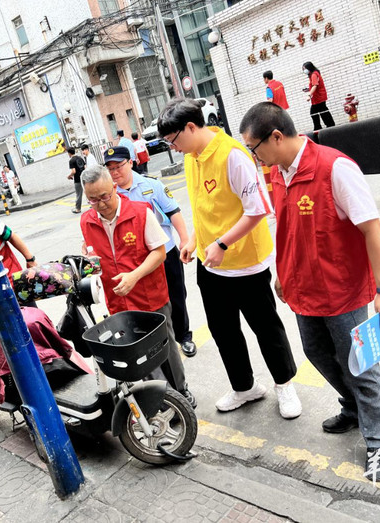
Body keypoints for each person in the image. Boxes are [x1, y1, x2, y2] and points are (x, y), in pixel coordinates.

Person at [239, 102, 380, 481]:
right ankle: (353, 408)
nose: (253, 157)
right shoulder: (278, 172)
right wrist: (283, 273)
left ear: (276, 137)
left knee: (360, 366)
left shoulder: (335, 168)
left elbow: (372, 229)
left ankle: (378, 439)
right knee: (316, 352)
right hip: (304, 288)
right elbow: (288, 228)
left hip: (342, 291)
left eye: (254, 148)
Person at [156, 97, 301, 419]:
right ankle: (244, 387)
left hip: (245, 262)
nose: (173, 148)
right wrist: (194, 239)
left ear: (190, 127)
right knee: (223, 331)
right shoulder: (192, 158)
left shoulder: (233, 155)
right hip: (211, 263)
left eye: (173, 140)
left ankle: (284, 384)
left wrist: (222, 243)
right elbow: (206, 208)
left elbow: (257, 209)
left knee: (266, 328)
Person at [78, 164, 196, 408]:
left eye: (104, 196)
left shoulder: (141, 212)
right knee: (137, 355)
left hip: (149, 296)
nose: (100, 204)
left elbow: (159, 253)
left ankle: (180, 392)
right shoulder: (87, 220)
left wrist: (134, 276)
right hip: (118, 300)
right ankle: (160, 399)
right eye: (93, 200)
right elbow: (91, 253)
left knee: (163, 350)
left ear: (114, 187)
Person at [104, 146, 197, 358]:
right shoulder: (111, 194)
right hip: (135, 259)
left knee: (176, 296)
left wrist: (184, 240)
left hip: (166, 252)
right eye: (110, 169)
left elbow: (173, 212)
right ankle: (156, 341)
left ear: (130, 163)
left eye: (118, 166)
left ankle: (183, 336)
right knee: (146, 303)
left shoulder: (151, 185)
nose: (114, 172)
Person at [303, 62, 335, 130]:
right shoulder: (313, 74)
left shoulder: (314, 74)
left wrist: (309, 95)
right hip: (318, 97)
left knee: (316, 113)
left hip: (319, 97)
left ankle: (320, 127)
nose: (304, 71)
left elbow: (315, 85)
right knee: (322, 111)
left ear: (309, 68)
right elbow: (315, 85)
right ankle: (328, 126)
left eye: (305, 69)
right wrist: (309, 89)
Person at [67, 147, 86, 214]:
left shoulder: (71, 161)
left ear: (69, 153)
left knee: (78, 194)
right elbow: (85, 167)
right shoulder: (80, 158)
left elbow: (73, 171)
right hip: (84, 177)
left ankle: (78, 209)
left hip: (77, 179)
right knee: (88, 191)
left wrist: (69, 176)